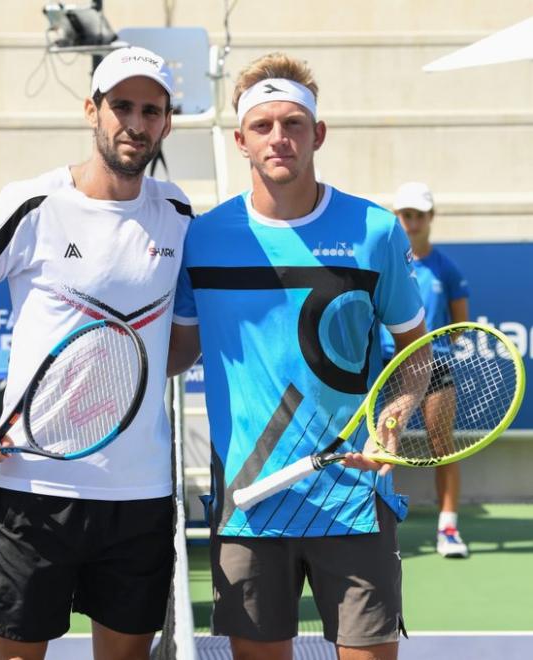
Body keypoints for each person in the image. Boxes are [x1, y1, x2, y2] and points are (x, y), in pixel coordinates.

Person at [0, 46, 192, 660]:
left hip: (139, 492)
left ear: (167, 123)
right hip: (34, 488)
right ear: (91, 111)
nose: (135, 122)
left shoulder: (178, 212)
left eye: (151, 110)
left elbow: (169, 350)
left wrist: (128, 379)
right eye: (120, 106)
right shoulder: (34, 203)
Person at [168, 52, 427, 660]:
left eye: (293, 124)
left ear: (319, 133)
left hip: (355, 498)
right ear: (240, 140)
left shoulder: (376, 230)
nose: (278, 138)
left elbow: (415, 354)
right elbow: (177, 353)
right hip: (249, 506)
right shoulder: (203, 239)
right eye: (263, 126)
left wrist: (394, 420)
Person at [384, 181, 470, 558]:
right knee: (382, 445)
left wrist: (427, 346)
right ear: (397, 218)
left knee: (442, 446)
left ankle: (448, 529)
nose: (412, 222)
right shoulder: (386, 261)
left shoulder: (446, 269)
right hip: (388, 366)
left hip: (435, 366)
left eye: (419, 215)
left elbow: (460, 325)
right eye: (406, 215)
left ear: (431, 218)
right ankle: (380, 527)